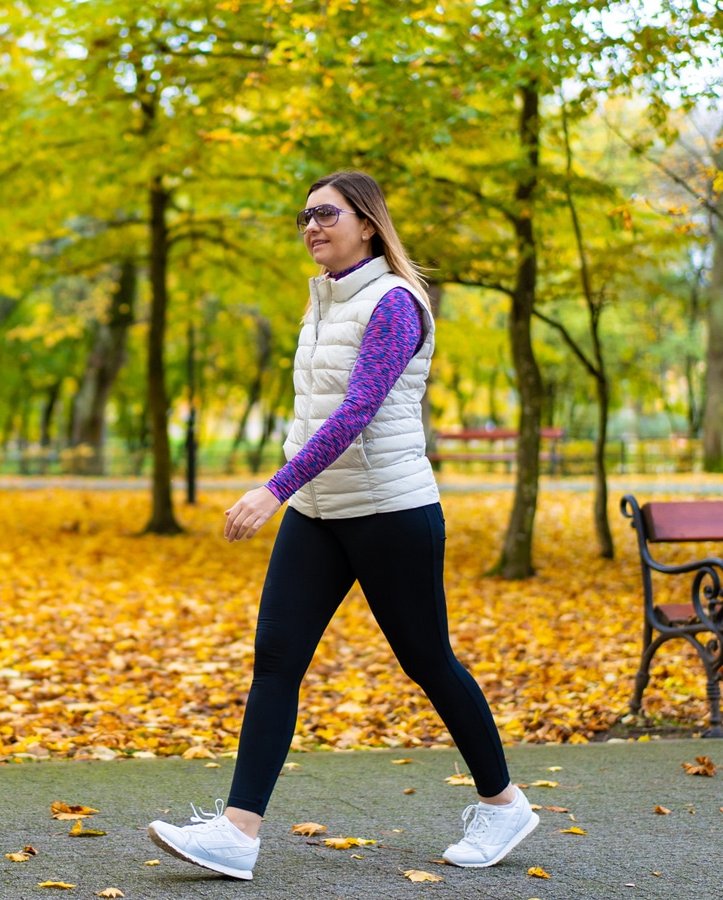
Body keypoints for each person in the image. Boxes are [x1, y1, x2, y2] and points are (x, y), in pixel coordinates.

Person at [146, 171, 537, 880]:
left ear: (366, 222)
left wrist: (274, 488)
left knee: (427, 662)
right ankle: (238, 832)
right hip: (320, 513)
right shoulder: (324, 300)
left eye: (326, 214)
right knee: (276, 661)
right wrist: (294, 490)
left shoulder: (391, 302)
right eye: (304, 218)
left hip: (391, 511)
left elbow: (355, 413)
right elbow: (312, 413)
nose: (311, 227)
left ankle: (504, 802)